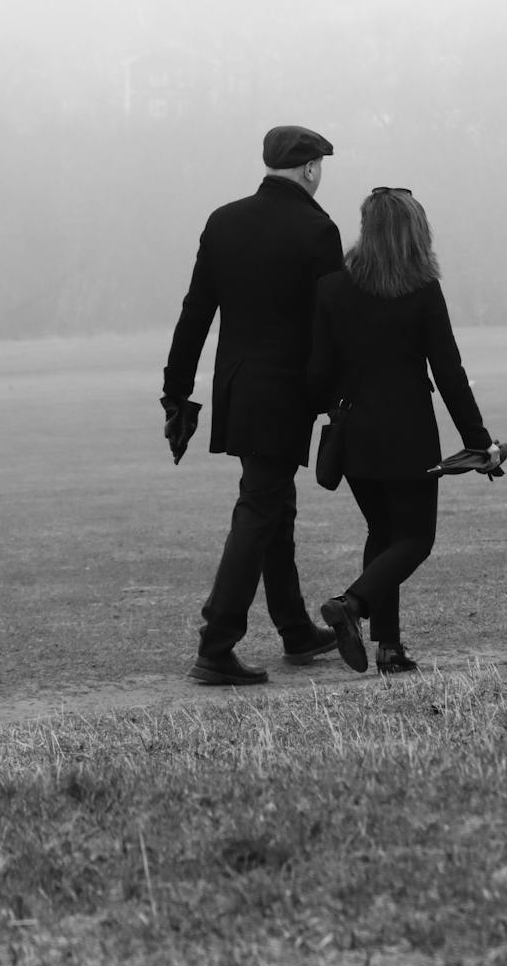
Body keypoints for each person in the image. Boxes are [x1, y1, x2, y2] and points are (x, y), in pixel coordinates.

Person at [163, 125, 345, 685]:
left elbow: (196, 313)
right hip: (286, 394)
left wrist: (176, 391)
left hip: (237, 389)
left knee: (274, 505)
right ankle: (216, 644)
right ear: (310, 168)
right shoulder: (318, 229)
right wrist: (338, 395)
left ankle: (295, 630)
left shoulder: (223, 221)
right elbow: (331, 324)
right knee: (261, 507)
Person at [308, 186, 502, 674]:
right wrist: (479, 443)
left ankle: (389, 649)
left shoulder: (331, 288)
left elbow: (319, 373)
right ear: (415, 233)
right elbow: (449, 373)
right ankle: (350, 605)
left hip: (354, 435)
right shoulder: (422, 290)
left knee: (383, 533)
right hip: (409, 436)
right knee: (415, 539)